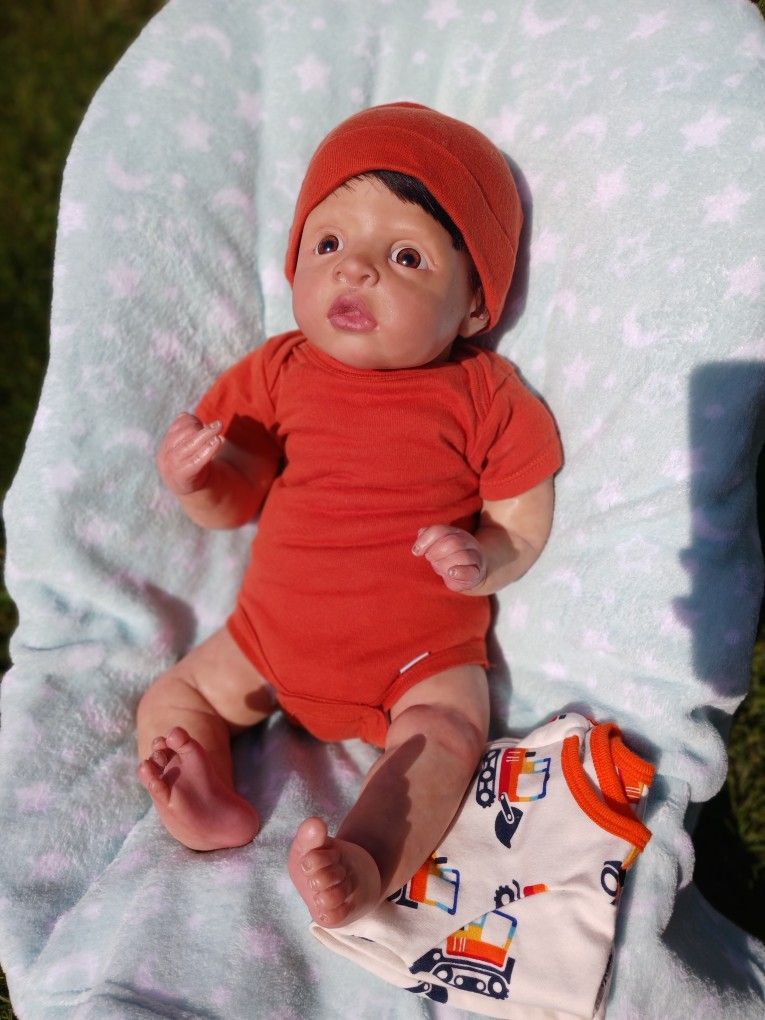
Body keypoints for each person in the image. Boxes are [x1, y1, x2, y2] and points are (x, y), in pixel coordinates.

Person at [136, 103, 563, 929]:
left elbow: (519, 525)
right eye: (328, 244)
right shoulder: (277, 371)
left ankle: (364, 862)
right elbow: (234, 504)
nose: (355, 271)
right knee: (174, 697)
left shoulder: (484, 394)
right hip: (266, 642)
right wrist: (197, 479)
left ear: (475, 307)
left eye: (404, 257)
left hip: (418, 661)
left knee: (447, 735)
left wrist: (480, 558)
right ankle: (204, 805)